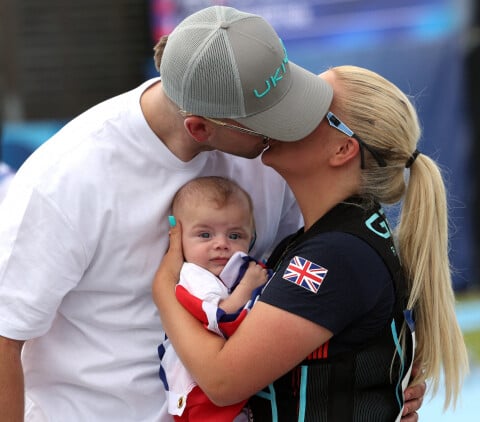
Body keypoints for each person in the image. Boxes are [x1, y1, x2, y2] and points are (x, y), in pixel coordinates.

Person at [0, 5, 425, 421]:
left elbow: (315, 293)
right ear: (200, 129)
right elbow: (4, 337)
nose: (290, 126)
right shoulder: (62, 180)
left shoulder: (273, 157)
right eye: (269, 117)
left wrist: (380, 383)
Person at [153, 64, 469, 421]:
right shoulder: (331, 236)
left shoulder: (336, 254)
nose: (285, 112)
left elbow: (223, 381)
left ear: (342, 149)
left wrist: (164, 286)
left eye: (310, 109)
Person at [160, 176, 269, 421]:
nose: (221, 244)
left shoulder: (234, 272)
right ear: (178, 238)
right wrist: (249, 286)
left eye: (234, 236)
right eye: (205, 235)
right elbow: (218, 316)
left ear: (251, 237)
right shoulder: (193, 276)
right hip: (199, 388)